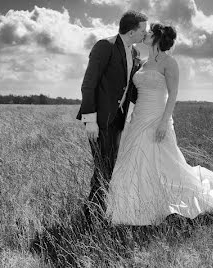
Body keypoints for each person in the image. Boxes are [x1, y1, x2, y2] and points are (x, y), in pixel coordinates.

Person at [105, 23, 213, 225]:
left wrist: (164, 122)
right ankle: (130, 208)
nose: (145, 34)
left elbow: (173, 94)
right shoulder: (143, 63)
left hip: (158, 117)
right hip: (139, 117)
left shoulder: (169, 62)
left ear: (157, 37)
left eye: (150, 32)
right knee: (134, 160)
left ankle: (164, 203)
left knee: (164, 161)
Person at [76, 10, 147, 226]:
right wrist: (90, 120)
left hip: (118, 121)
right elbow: (89, 83)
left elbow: (131, 90)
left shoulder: (134, 54)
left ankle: (97, 211)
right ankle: (93, 216)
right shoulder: (104, 46)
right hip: (99, 120)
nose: (145, 34)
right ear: (132, 31)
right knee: (103, 166)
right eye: (143, 30)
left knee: (110, 166)